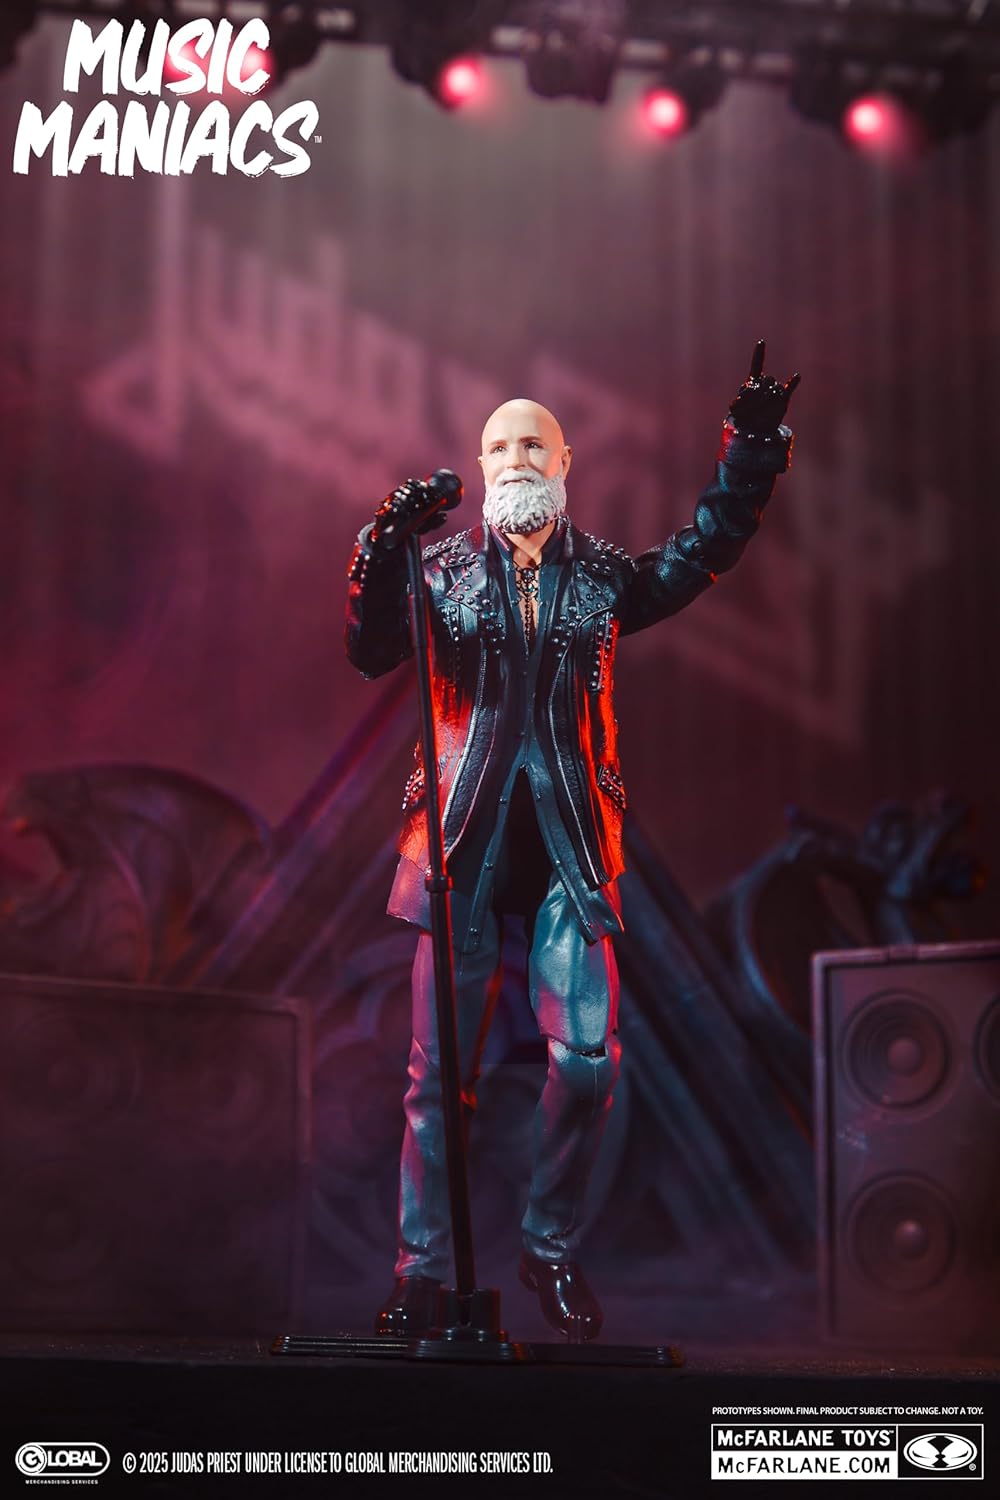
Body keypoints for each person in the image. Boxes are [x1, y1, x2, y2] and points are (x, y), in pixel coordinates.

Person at [345, 342, 798, 1340]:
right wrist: (382, 544)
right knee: (435, 1080)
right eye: (500, 445)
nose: (515, 459)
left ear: (563, 463)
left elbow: (705, 550)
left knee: (589, 1064)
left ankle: (548, 1246)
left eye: (533, 444)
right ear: (481, 462)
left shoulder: (602, 578)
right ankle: (422, 1270)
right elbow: (371, 649)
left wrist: (750, 452)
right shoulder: (436, 571)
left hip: (570, 846)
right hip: (459, 846)